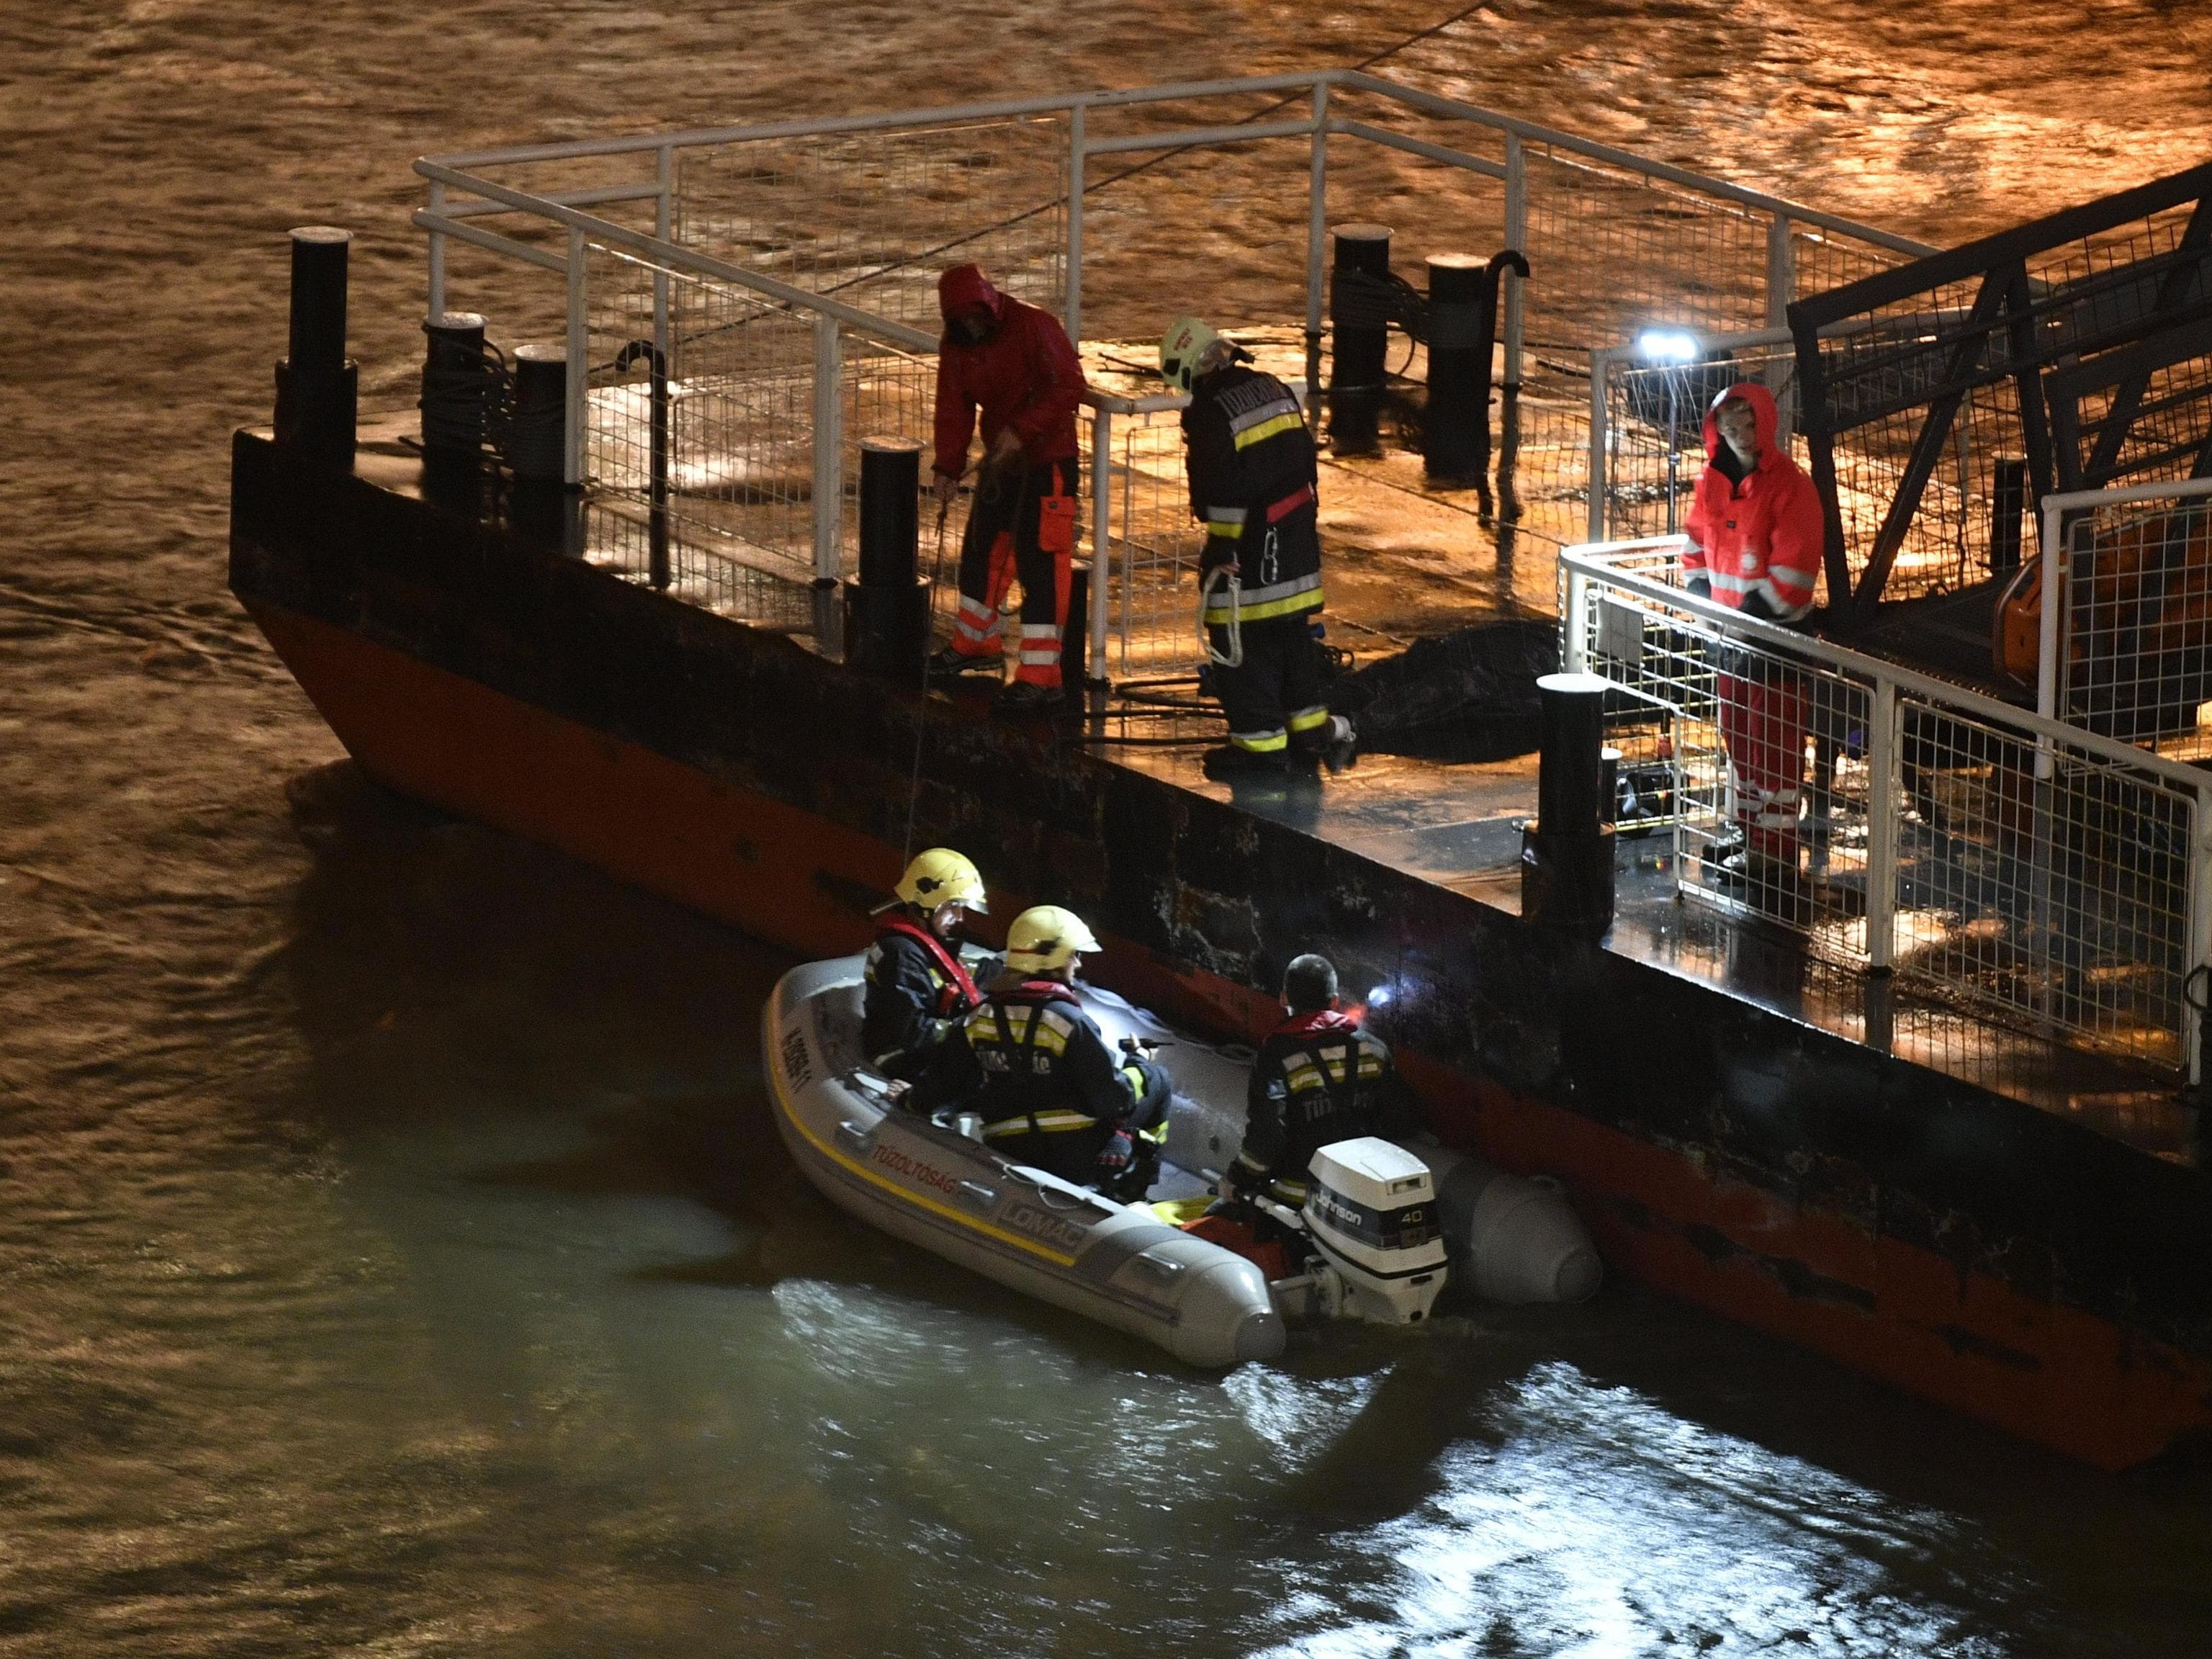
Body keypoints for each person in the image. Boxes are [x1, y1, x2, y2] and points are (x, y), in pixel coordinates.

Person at [1161, 315, 1356, 781]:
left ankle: (1260, 748)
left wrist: (1222, 548)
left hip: (1255, 548)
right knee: (1292, 638)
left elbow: (1222, 489)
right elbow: (1304, 460)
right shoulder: (1272, 386)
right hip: (1296, 538)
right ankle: (1309, 731)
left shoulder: (1211, 411)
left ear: (1189, 371)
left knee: (1238, 642)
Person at [910, 904, 1169, 1197]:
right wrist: (1139, 1062)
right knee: (1158, 1079)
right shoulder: (1069, 1022)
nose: (1078, 964)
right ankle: (1133, 1186)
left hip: (1007, 1146)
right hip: (1074, 1157)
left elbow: (941, 1082)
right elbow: (1115, 1099)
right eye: (1074, 954)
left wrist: (910, 1098)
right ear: (1053, 958)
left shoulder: (978, 1018)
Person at [1678, 382, 1823, 896]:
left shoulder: (1792, 487)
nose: (1740, 434)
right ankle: (1749, 834)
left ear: (1766, 425)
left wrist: (1740, 619)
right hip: (1732, 638)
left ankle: (1775, 851)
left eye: (1748, 424)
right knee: (1739, 739)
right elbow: (1696, 547)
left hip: (1774, 640)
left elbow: (1794, 572)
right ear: (1717, 429)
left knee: (1775, 747)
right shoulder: (1711, 483)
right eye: (1730, 425)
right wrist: (1705, 604)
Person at [928, 264, 1090, 715]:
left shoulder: (1035, 326)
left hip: (1047, 462)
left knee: (1042, 568)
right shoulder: (957, 346)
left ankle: (1042, 678)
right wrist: (947, 466)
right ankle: (975, 644)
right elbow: (953, 407)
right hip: (1003, 461)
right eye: (961, 321)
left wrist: (1022, 430)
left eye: (974, 318)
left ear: (989, 307)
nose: (970, 327)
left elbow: (1069, 385)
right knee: (982, 553)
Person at [1221, 954, 1419, 1210]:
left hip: (1297, 1200)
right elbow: (1400, 1120)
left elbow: (1267, 1134)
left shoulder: (1277, 1054)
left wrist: (1236, 1180)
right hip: (1359, 1198)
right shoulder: (1375, 1049)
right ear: (1335, 1001)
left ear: (1284, 999)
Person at [862, 848, 989, 1082]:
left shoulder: (920, 945)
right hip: (902, 1057)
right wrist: (979, 1030)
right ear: (925, 905)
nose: (960, 917)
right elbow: (916, 1032)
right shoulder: (901, 954)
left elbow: (960, 973)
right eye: (953, 906)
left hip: (920, 1049)